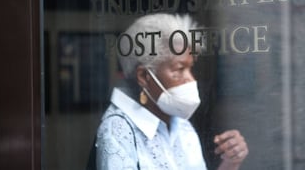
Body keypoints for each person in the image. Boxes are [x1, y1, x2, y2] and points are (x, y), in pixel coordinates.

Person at [95, 13, 248, 170]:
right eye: (179, 69)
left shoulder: (181, 124)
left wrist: (230, 163)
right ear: (144, 76)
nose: (191, 79)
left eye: (190, 68)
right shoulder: (119, 130)